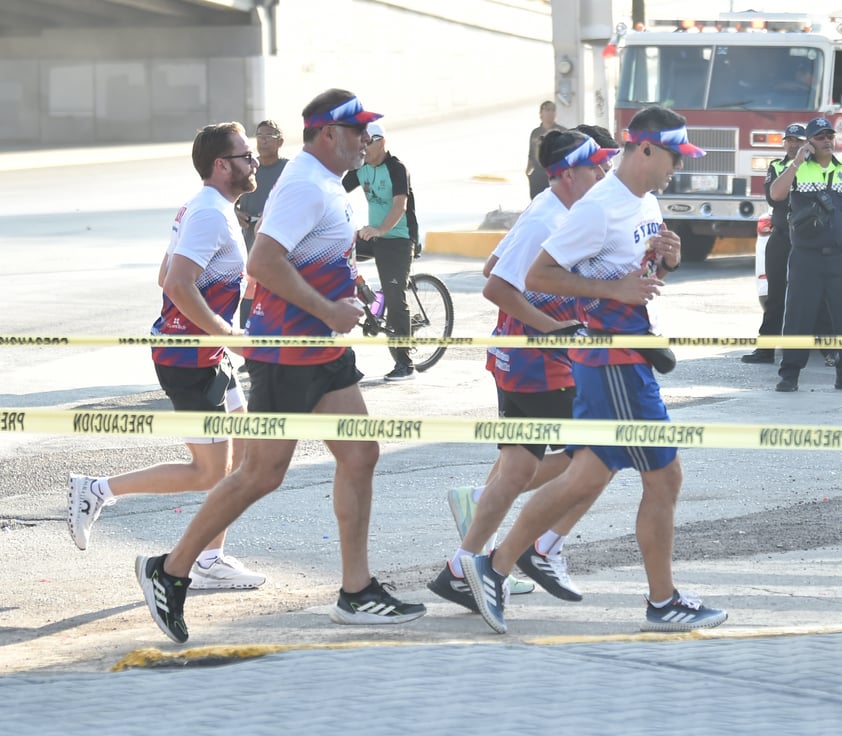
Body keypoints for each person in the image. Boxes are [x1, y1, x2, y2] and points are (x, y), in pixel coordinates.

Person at [135, 89, 427, 644]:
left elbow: (315, 258)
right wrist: (326, 310)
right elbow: (264, 262)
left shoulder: (328, 185)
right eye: (357, 129)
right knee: (259, 475)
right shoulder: (302, 184)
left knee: (361, 453)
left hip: (321, 351)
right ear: (325, 133)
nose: (366, 137)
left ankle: (356, 591)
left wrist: (350, 293)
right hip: (287, 353)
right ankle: (170, 570)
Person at [461, 106, 728, 635]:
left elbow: (636, 271)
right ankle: (662, 600)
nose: (678, 166)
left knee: (586, 475)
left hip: (623, 355)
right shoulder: (598, 207)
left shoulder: (644, 200)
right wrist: (614, 290)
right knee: (664, 476)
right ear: (646, 149)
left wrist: (663, 259)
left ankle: (493, 566)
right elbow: (540, 274)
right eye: (674, 155)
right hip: (612, 360)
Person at [67, 122, 266, 590]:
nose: (254, 162)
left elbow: (166, 275)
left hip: (207, 351)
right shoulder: (209, 215)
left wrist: (236, 291)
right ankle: (96, 490)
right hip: (189, 358)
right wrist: (223, 328)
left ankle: (211, 558)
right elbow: (176, 283)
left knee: (240, 456)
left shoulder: (209, 209)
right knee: (208, 471)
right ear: (221, 166)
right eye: (245, 156)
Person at [429, 130, 620, 612]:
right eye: (595, 166)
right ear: (567, 172)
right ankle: (541, 547)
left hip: (525, 356)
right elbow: (494, 285)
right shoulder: (548, 218)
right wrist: (556, 328)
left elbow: (497, 261)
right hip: (539, 362)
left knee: (517, 470)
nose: (603, 174)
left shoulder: (557, 211)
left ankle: (460, 567)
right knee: (600, 454)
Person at [771, 116, 842, 392]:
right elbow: (777, 194)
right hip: (806, 257)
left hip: (838, 256)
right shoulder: (795, 168)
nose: (826, 140)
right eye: (820, 137)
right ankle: (789, 375)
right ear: (809, 142)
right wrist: (798, 161)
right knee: (799, 316)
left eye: (829, 136)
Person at [343, 121, 418, 381]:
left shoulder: (397, 168)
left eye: (368, 143)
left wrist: (380, 230)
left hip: (398, 237)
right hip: (373, 234)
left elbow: (400, 205)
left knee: (396, 299)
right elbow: (336, 192)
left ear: (382, 143)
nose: (363, 148)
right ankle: (369, 296)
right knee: (334, 259)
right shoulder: (361, 167)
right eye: (361, 143)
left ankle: (405, 365)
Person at [235, 119, 289, 329]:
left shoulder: (288, 170)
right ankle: (247, 342)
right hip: (249, 241)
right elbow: (228, 199)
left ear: (280, 142)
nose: (263, 141)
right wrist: (236, 213)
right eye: (259, 136)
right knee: (249, 288)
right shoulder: (247, 168)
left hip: (278, 246)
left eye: (268, 137)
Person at [526, 100, 564, 199]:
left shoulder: (562, 131)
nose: (550, 113)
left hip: (555, 173)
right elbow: (531, 152)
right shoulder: (536, 132)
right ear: (541, 113)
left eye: (553, 110)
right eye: (547, 110)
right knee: (536, 200)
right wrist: (528, 170)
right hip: (538, 174)